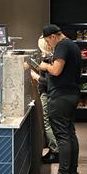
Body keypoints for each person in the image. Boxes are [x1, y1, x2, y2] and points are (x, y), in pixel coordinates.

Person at [38, 24, 82, 174]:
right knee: (70, 134)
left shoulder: (61, 45)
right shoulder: (73, 45)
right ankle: (73, 173)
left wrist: (45, 66)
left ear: (53, 37)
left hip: (60, 97)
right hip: (72, 95)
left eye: (48, 42)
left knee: (62, 136)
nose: (49, 45)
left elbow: (56, 71)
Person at [30, 36, 60, 164]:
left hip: (47, 94)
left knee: (47, 123)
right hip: (52, 95)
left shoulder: (49, 59)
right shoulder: (53, 58)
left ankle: (55, 151)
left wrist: (36, 76)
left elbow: (48, 82)